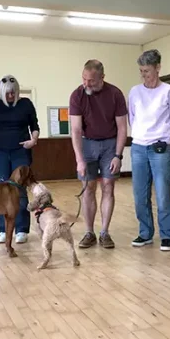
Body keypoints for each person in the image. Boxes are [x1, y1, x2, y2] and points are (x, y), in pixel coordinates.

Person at [69, 59, 127, 249]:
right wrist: (79, 159)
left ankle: (104, 233)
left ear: (102, 77)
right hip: (87, 144)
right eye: (84, 79)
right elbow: (76, 130)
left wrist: (118, 156)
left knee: (108, 186)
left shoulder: (115, 94)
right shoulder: (77, 95)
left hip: (110, 144)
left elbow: (121, 128)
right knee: (88, 187)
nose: (86, 83)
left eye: (91, 80)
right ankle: (89, 232)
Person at [128, 49, 170, 252]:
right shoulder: (134, 91)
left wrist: (164, 138)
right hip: (139, 147)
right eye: (141, 71)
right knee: (140, 195)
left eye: (147, 71)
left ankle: (167, 235)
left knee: (162, 195)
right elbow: (132, 118)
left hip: (160, 148)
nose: (144, 75)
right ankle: (145, 233)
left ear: (158, 68)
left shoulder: (169, 91)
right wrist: (140, 136)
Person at [0, 75, 39, 244]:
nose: (11, 96)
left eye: (13, 93)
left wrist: (33, 140)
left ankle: (21, 229)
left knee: (19, 189)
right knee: (2, 189)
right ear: (1, 92)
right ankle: (3, 229)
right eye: (7, 93)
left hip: (21, 150)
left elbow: (34, 125)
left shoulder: (26, 104)